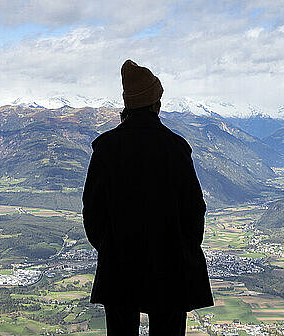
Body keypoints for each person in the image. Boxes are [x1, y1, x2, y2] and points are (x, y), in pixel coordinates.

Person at [82, 59, 214, 335]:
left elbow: (92, 213)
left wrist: (110, 246)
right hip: (171, 265)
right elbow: (195, 210)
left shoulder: (106, 149)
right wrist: (182, 249)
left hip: (118, 266)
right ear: (156, 103)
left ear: (127, 106)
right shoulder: (175, 148)